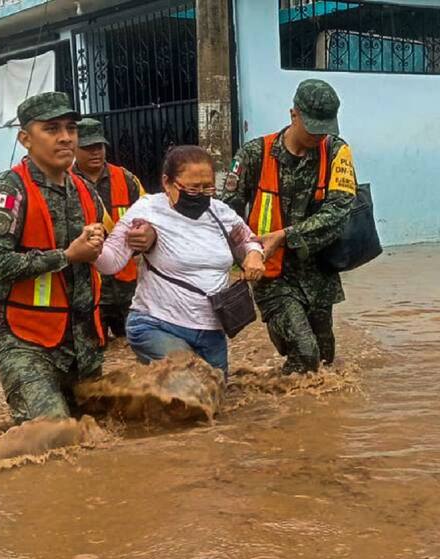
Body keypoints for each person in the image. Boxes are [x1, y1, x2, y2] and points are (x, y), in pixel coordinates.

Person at [0, 92, 156, 424]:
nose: (65, 137)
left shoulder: (84, 189)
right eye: (52, 128)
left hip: (83, 343)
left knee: (106, 429)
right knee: (53, 432)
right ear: (25, 139)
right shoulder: (9, 190)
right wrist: (66, 256)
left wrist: (142, 239)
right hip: (25, 341)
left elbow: (109, 250)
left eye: (71, 128)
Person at [221, 79, 356, 374]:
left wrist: (284, 236)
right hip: (272, 275)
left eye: (325, 127)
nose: (319, 134)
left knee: (324, 361)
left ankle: (299, 412)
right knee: (306, 354)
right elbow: (226, 213)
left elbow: (339, 212)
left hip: (320, 276)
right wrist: (245, 256)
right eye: (312, 126)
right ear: (293, 114)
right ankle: (270, 416)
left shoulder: (336, 151)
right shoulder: (254, 154)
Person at [95, 145, 265, 376]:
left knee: (215, 395)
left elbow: (248, 240)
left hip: (211, 331)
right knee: (191, 383)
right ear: (167, 183)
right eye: (193, 188)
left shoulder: (219, 212)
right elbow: (111, 262)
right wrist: (91, 245)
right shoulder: (148, 210)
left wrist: (254, 256)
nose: (202, 194)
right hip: (157, 324)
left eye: (208, 187)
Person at [73, 118, 147, 340]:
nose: (95, 152)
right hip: (89, 287)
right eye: (87, 148)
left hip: (127, 285)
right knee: (94, 348)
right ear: (74, 149)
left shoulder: (126, 179)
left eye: (99, 147)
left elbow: (149, 217)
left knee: (135, 343)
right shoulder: (65, 182)